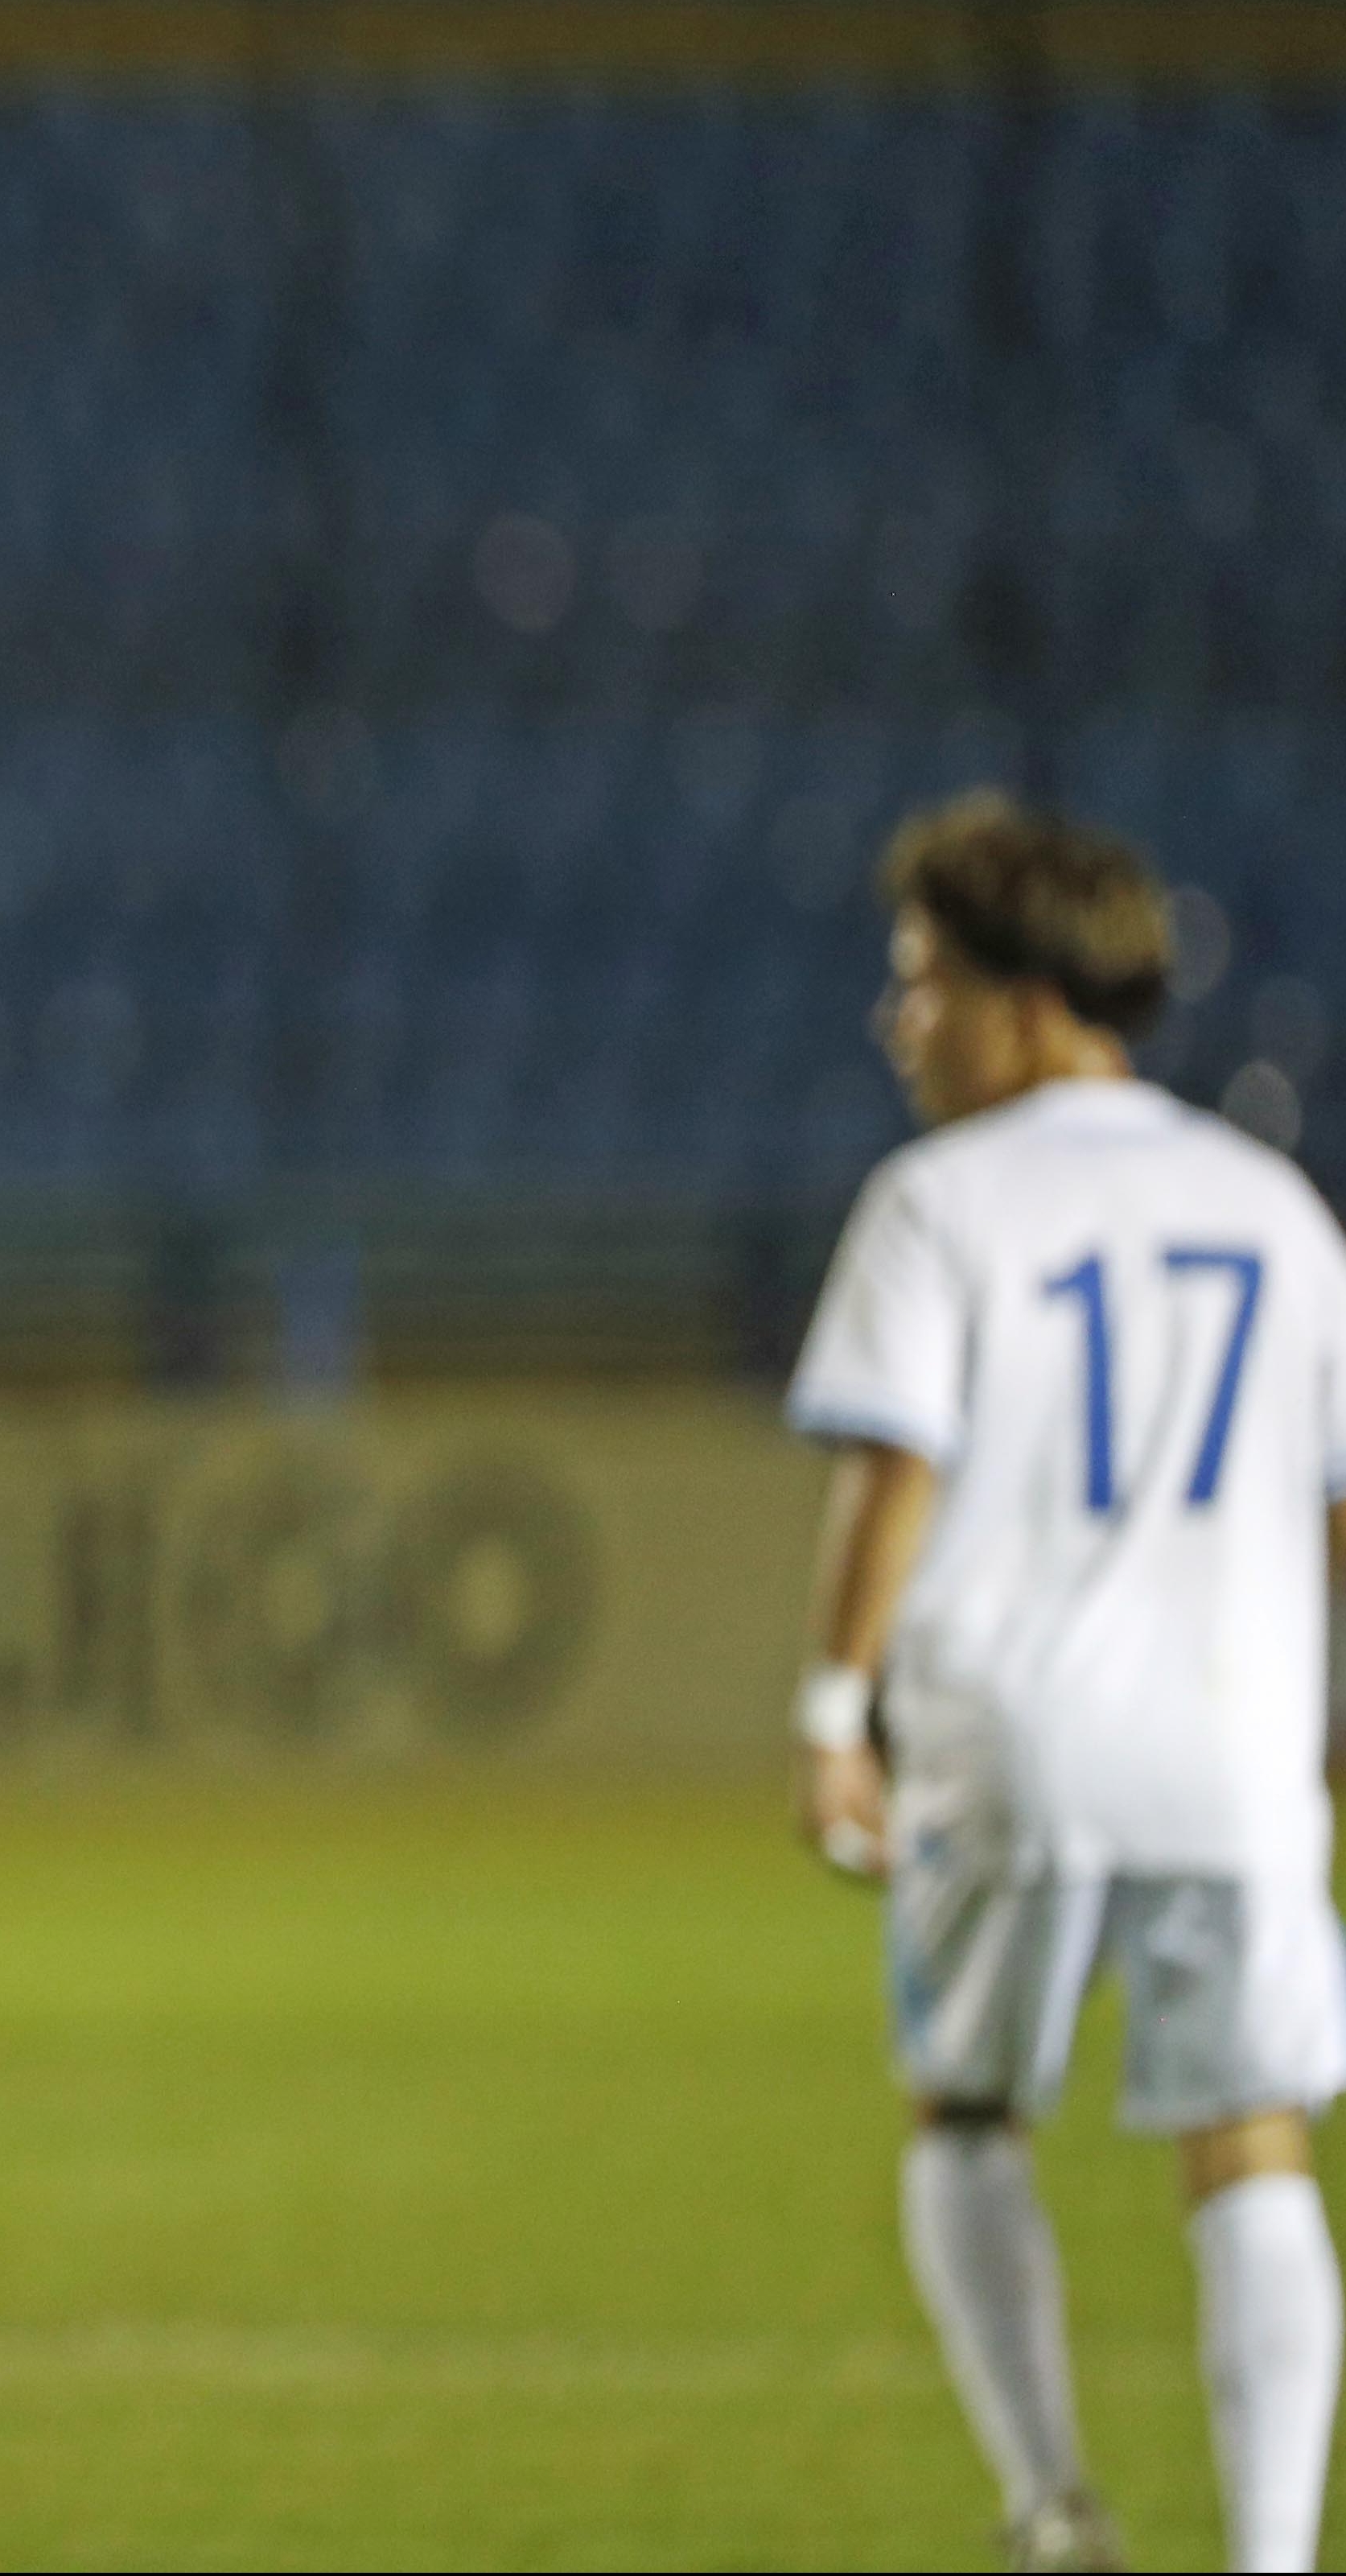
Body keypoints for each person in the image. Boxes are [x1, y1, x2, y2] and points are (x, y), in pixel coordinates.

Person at [785, 789, 1346, 2576]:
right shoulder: (1273, 1206)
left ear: (1024, 992)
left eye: (919, 978)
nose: (898, 1019)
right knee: (1249, 2143)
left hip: (1009, 1734)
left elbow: (893, 1469)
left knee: (962, 2105)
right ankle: (1272, 2554)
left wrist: (825, 1710)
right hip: (1236, 1743)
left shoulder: (939, 1202)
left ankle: (1053, 2510)